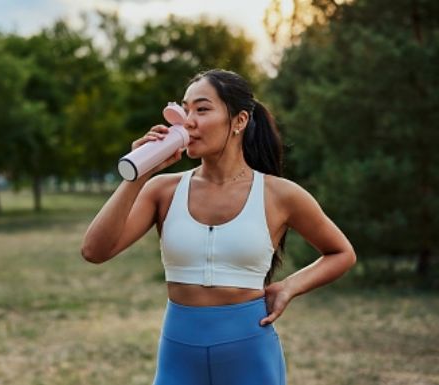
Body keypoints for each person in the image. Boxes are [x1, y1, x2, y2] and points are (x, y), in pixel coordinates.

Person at [81, 69, 357, 385]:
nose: (188, 121)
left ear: (239, 121)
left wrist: (289, 287)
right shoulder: (162, 190)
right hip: (178, 358)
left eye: (202, 109)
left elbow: (341, 253)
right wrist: (138, 174)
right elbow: (94, 250)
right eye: (185, 110)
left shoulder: (280, 194)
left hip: (251, 356)